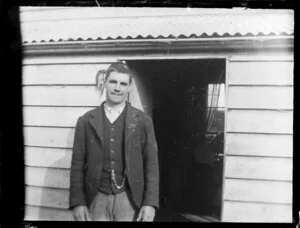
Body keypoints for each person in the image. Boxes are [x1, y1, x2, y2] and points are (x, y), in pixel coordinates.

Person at [69, 62, 159, 221]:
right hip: (96, 198)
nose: (117, 88)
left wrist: (150, 203)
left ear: (130, 87)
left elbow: (151, 164)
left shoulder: (143, 121)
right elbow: (77, 165)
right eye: (113, 82)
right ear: (104, 83)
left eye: (123, 83)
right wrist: (78, 202)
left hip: (129, 199)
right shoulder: (85, 121)